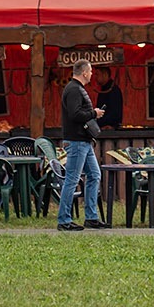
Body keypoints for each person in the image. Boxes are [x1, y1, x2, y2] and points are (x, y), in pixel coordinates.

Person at [57, 59, 106, 231]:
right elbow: (75, 114)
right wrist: (94, 113)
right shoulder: (73, 89)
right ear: (84, 72)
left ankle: (91, 217)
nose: (92, 74)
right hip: (76, 141)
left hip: (83, 141)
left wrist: (92, 114)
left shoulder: (77, 89)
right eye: (91, 71)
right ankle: (63, 220)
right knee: (72, 179)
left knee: (94, 175)